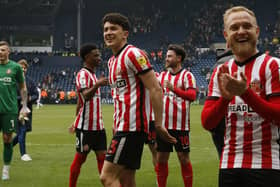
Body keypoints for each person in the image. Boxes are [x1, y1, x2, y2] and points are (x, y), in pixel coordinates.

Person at [201, 6, 280, 187]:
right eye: (234, 28)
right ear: (226, 35)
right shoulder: (221, 71)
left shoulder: (273, 66)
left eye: (247, 26)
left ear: (257, 31)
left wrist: (245, 93)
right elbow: (207, 122)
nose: (241, 31)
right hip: (229, 163)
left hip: (267, 164)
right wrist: (226, 99)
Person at [100, 13, 176, 187]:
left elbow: (155, 87)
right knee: (126, 179)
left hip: (132, 127)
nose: (108, 33)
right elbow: (121, 96)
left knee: (107, 177)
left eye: (113, 28)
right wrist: (115, 123)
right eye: (105, 30)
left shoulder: (133, 54)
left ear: (125, 33)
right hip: (122, 126)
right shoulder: (112, 61)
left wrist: (158, 124)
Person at [156, 44, 197, 187]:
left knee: (183, 158)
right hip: (164, 126)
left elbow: (192, 96)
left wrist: (174, 89)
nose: (166, 58)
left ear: (178, 58)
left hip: (181, 126)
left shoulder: (187, 76)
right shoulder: (162, 76)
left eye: (169, 56)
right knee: (161, 158)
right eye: (166, 56)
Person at [69, 43, 109, 187]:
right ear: (87, 57)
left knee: (103, 158)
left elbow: (79, 103)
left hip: (98, 127)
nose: (99, 58)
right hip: (85, 128)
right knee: (80, 159)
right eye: (96, 55)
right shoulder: (83, 74)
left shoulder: (93, 74)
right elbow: (84, 96)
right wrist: (97, 84)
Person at [0, 41, 30, 180]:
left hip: (9, 110)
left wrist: (24, 107)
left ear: (8, 52)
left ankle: (6, 169)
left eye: (3, 50)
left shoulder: (16, 67)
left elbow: (23, 88)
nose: (0, 52)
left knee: (7, 139)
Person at [12, 59, 38, 161]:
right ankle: (23, 154)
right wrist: (22, 99)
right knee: (22, 130)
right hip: (16, 110)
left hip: (28, 110)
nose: (23, 69)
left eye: (24, 67)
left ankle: (8, 146)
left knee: (22, 132)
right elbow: (11, 96)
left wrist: (31, 98)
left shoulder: (30, 81)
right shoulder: (13, 81)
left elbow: (36, 94)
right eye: (21, 67)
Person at [210, 49, 233, 158]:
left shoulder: (218, 66)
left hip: (222, 125)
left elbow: (207, 120)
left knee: (225, 159)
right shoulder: (269, 64)